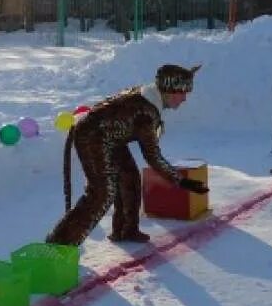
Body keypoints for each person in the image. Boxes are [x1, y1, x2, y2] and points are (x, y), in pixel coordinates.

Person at [46, 64, 209, 247]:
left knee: (129, 178)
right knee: (101, 193)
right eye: (183, 93)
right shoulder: (146, 113)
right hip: (92, 136)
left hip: (111, 137)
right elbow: (153, 157)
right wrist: (181, 181)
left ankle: (125, 230)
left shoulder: (149, 98)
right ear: (170, 90)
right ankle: (60, 244)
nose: (185, 99)